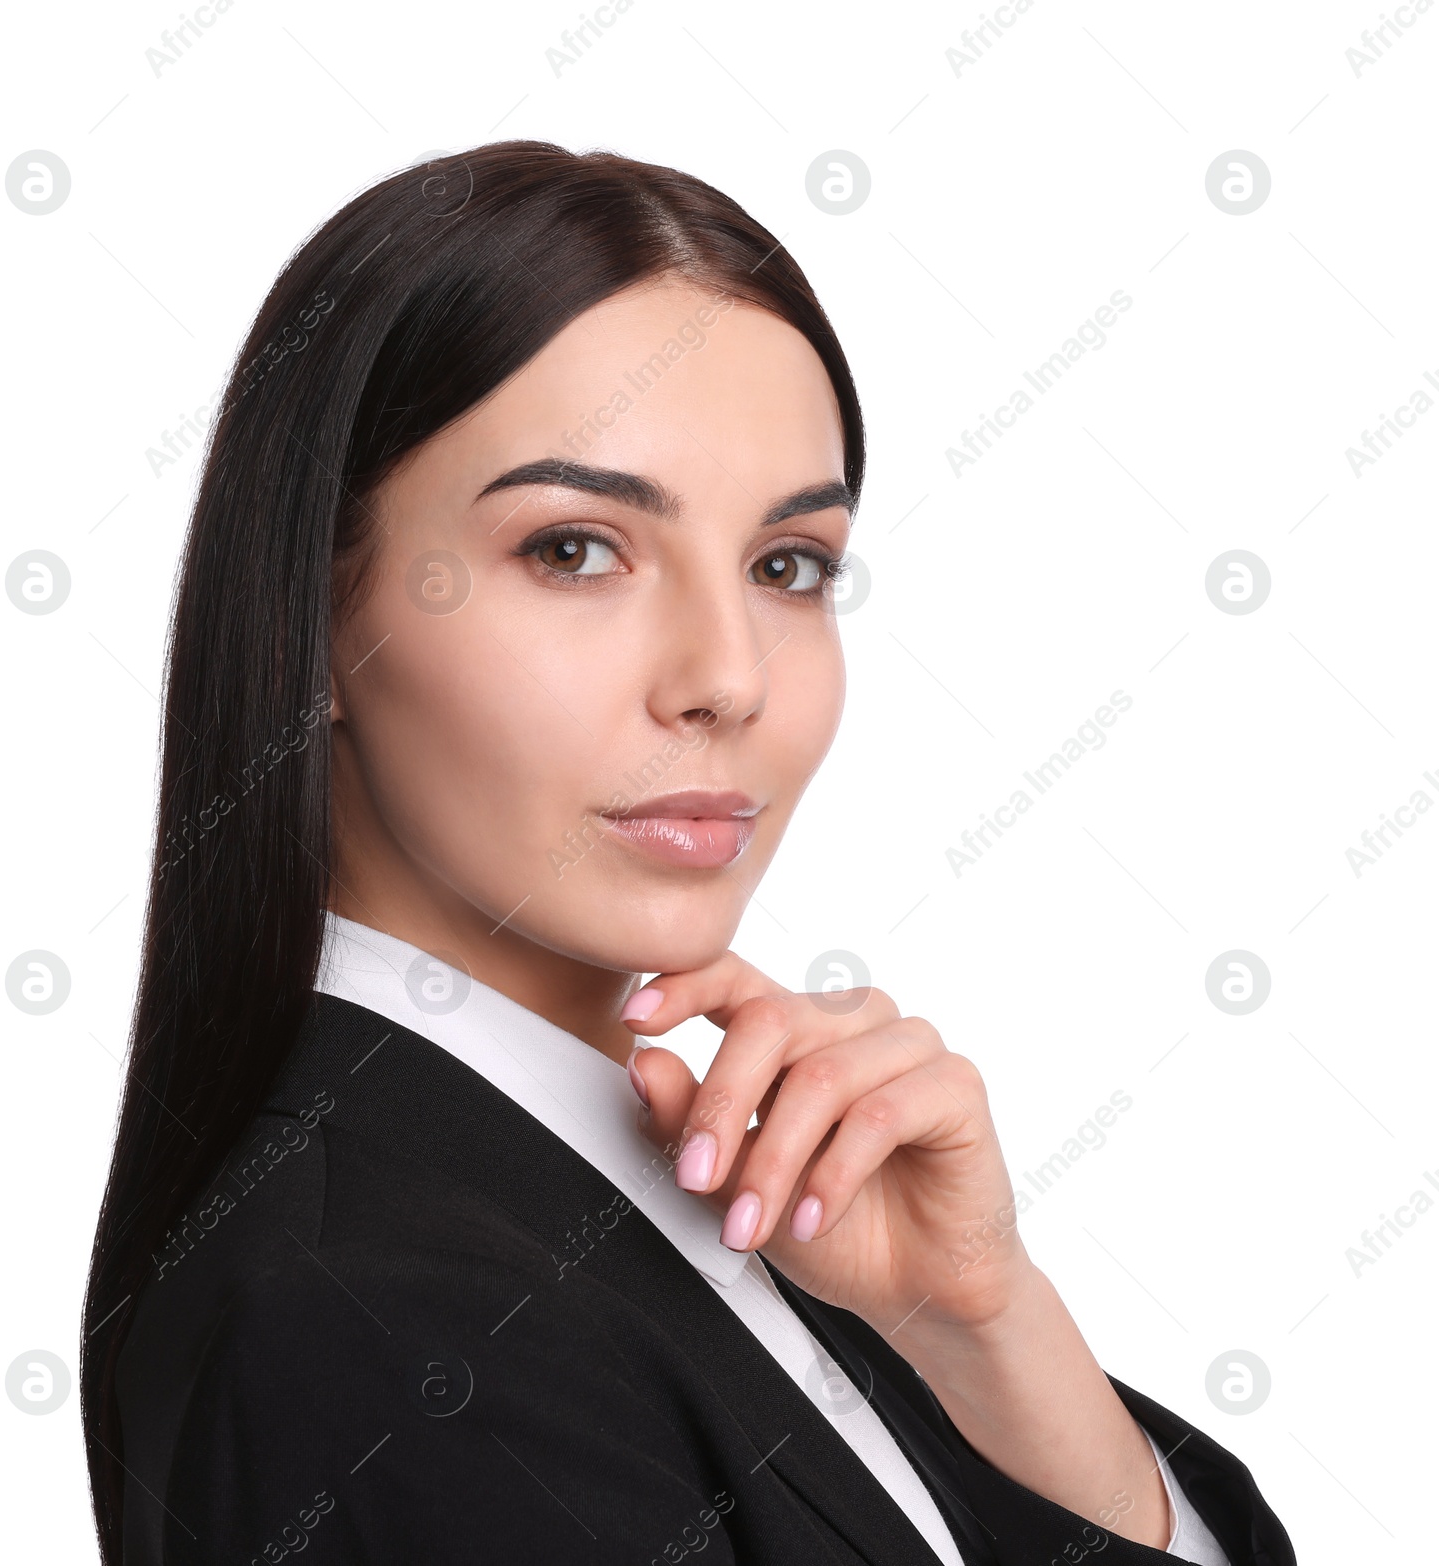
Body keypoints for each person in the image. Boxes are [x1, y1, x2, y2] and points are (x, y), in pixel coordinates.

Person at [80, 140, 1295, 1566]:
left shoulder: (711, 1200)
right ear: (321, 617)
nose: (729, 676)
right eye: (578, 550)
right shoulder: (378, 1315)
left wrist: (979, 1322)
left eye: (788, 565)